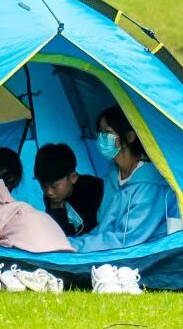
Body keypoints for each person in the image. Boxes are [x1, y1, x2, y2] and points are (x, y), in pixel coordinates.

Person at [73, 105, 179, 252]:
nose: (101, 138)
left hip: (148, 256)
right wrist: (74, 243)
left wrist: (76, 246)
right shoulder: (113, 174)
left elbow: (126, 240)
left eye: (108, 132)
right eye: (100, 132)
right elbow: (104, 228)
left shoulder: (151, 186)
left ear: (130, 137)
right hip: (113, 248)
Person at [0, 147, 76, 253]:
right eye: (4, 181)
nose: (4, 189)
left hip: (33, 257)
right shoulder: (21, 209)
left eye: (10, 185)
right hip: (67, 253)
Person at [33, 143, 104, 237]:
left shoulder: (94, 188)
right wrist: (57, 209)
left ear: (73, 178)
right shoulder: (51, 199)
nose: (48, 192)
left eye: (54, 186)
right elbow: (58, 234)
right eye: (43, 186)